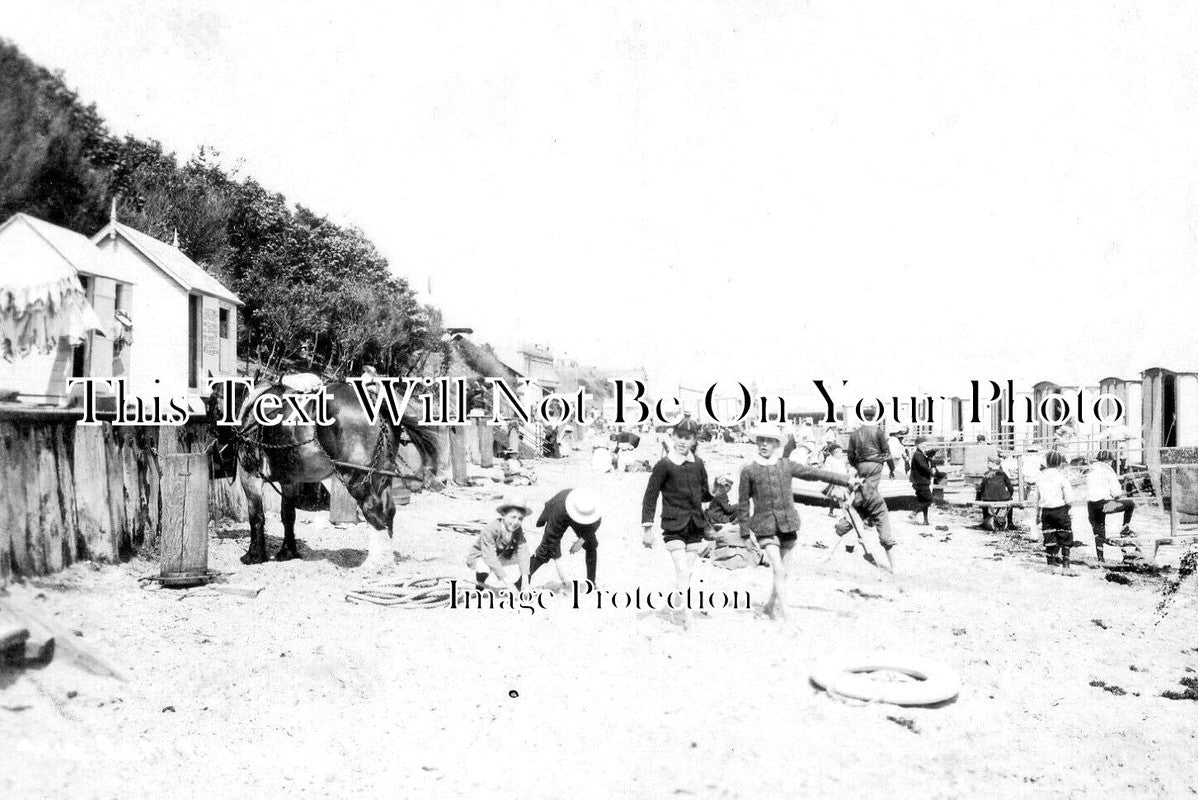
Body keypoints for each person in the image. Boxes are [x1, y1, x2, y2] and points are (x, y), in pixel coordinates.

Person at [738, 425, 855, 620]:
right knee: (778, 567)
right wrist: (744, 533)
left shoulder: (786, 465)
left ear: (777, 444)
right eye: (761, 440)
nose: (764, 444)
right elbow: (743, 503)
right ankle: (787, 616)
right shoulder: (749, 470)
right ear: (757, 442)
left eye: (769, 440)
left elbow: (815, 473)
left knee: (783, 572)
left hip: (788, 524)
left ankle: (769, 605)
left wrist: (846, 480)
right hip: (764, 526)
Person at [642, 418, 712, 628]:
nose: (682, 441)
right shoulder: (664, 465)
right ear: (672, 437)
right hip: (673, 526)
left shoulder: (698, 463)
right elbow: (650, 496)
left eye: (687, 438)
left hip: (695, 526)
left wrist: (719, 495)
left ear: (694, 440)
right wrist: (647, 528)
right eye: (679, 436)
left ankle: (675, 603)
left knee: (687, 572)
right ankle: (687, 617)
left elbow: (705, 493)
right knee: (682, 570)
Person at [529, 488, 602, 587]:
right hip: (559, 508)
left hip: (578, 509)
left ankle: (591, 583)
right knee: (545, 550)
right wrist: (557, 556)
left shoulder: (591, 507)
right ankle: (522, 582)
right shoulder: (559, 513)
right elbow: (552, 538)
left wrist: (581, 540)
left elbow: (594, 524)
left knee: (591, 544)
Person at [466, 497, 532, 591]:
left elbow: (523, 550)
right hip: (481, 555)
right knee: (484, 566)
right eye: (513, 517)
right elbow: (489, 556)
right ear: (503, 515)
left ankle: (522, 584)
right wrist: (507, 582)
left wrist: (525, 580)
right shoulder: (491, 529)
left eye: (520, 518)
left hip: (500, 554)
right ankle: (479, 587)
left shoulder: (517, 529)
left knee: (526, 557)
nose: (516, 522)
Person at [1085, 450, 1135, 562]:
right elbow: (1117, 493)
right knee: (1130, 504)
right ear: (1109, 461)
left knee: (1099, 532)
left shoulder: (1091, 469)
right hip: (1104, 505)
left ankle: (1100, 558)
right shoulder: (1109, 471)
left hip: (1091, 505)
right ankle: (1125, 529)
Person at [1037, 450, 1074, 571]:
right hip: (1060, 509)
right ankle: (1066, 567)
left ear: (1047, 462)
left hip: (1046, 511)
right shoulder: (1061, 477)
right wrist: (1069, 507)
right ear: (1059, 464)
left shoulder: (1040, 478)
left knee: (1049, 536)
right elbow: (1069, 499)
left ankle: (1050, 565)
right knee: (1065, 535)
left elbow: (1037, 499)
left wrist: (1037, 515)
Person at [847, 407, 895, 488]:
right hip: (875, 463)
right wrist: (891, 467)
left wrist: (854, 465)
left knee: (863, 487)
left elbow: (850, 454)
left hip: (860, 463)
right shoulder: (878, 432)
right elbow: (886, 451)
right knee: (872, 488)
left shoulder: (854, 433)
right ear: (873, 418)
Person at [909, 437, 945, 525]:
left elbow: (930, 467)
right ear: (917, 445)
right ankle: (915, 512)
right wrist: (933, 472)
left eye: (925, 444)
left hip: (922, 481)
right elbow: (924, 467)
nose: (924, 446)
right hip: (920, 481)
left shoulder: (922, 455)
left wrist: (937, 471)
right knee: (929, 500)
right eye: (922, 445)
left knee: (923, 501)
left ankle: (925, 520)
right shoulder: (918, 455)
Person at [976, 454, 1015, 530]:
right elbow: (1010, 488)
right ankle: (1010, 523)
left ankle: (985, 518)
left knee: (982, 495)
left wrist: (979, 497)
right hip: (1002, 498)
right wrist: (1009, 495)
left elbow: (981, 487)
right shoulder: (1003, 473)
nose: (987, 464)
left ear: (993, 463)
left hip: (988, 498)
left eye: (989, 462)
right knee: (1011, 501)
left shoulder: (987, 474)